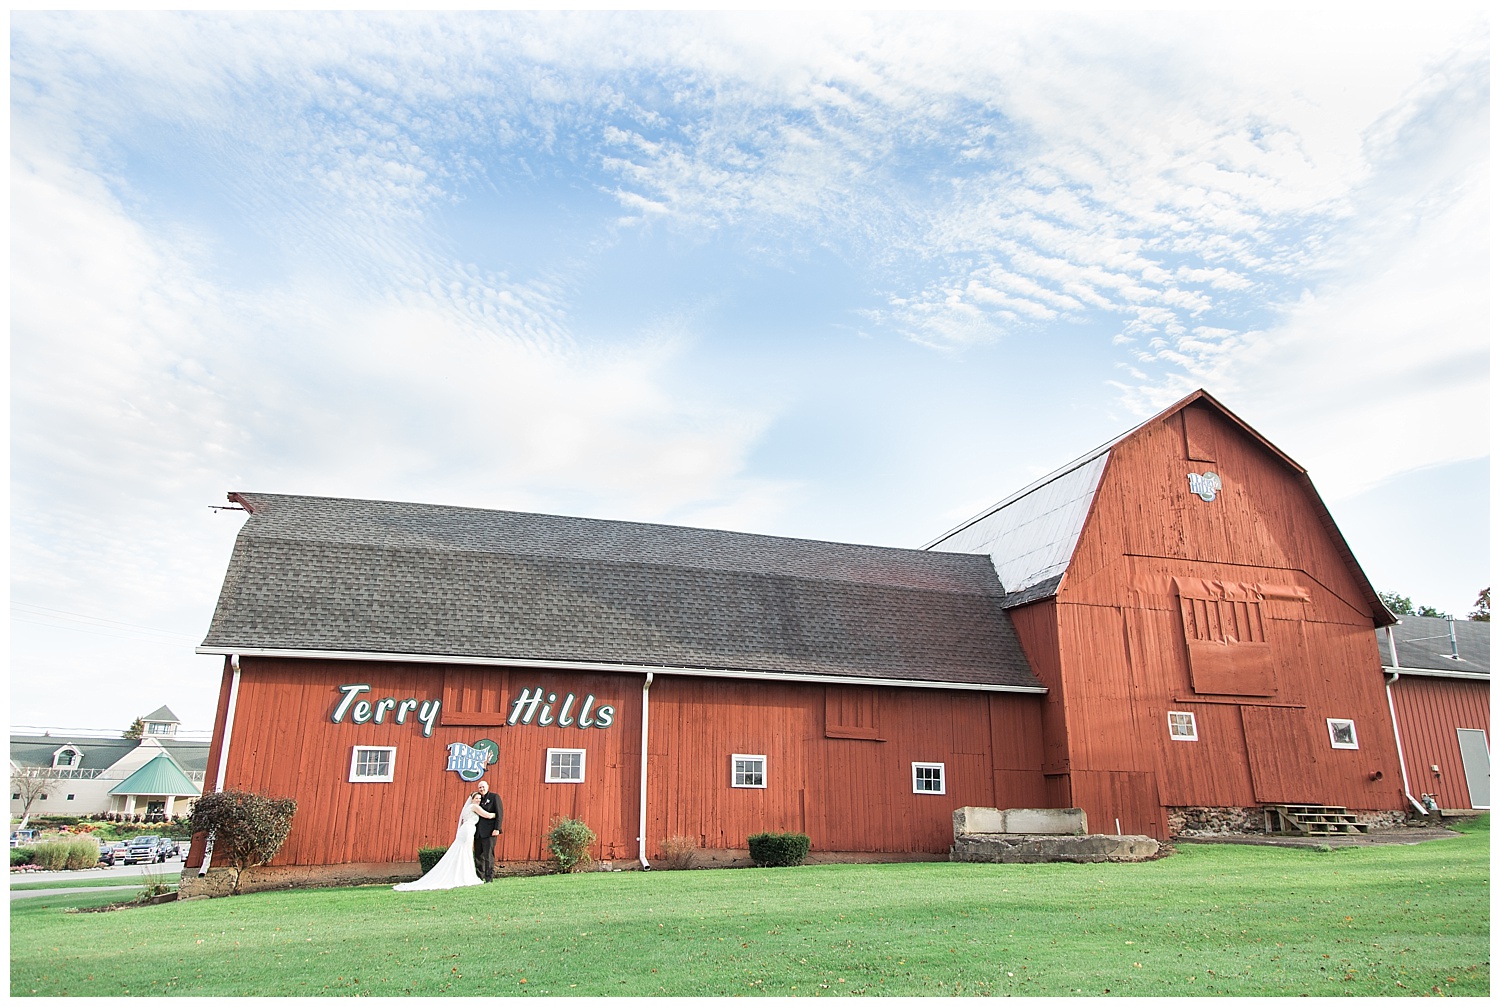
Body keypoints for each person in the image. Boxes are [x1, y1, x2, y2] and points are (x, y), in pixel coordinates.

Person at [392, 793, 484, 891]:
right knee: (465, 852)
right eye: (476, 798)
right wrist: (496, 814)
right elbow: (487, 815)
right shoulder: (474, 807)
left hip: (466, 830)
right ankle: (464, 875)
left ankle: (462, 873)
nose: (478, 800)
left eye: (479, 798)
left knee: (463, 852)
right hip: (468, 831)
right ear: (472, 799)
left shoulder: (468, 808)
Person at [472, 779, 502, 882]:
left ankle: (489, 877)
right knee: (478, 855)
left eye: (483, 787)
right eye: (480, 787)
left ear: (487, 787)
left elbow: (499, 814)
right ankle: (479, 877)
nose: (482, 789)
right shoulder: (477, 800)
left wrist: (497, 828)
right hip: (478, 833)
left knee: (488, 855)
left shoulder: (494, 797)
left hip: (489, 832)